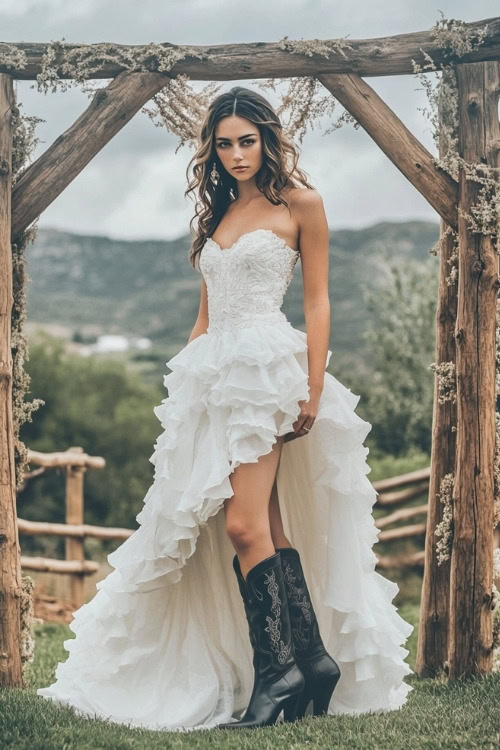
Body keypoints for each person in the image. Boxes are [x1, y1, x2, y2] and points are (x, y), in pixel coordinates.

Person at [37, 86, 414, 732]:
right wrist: (183, 390)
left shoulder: (302, 204)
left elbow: (319, 302)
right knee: (263, 521)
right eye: (225, 143)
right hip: (215, 376)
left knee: (243, 526)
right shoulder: (217, 213)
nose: (238, 154)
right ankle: (314, 662)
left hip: (268, 372)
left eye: (248, 140)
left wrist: (313, 387)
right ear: (211, 150)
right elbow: (205, 316)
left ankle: (278, 678)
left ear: (267, 138)